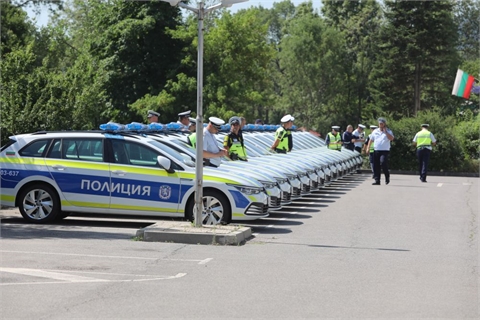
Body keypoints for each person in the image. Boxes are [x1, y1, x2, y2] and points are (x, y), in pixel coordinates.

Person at [367, 118, 394, 185]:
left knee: (383, 163)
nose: (380, 125)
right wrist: (368, 148)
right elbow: (371, 140)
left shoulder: (388, 131)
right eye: (379, 123)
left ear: (384, 124)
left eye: (382, 123)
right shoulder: (375, 131)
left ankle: (387, 176)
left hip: (384, 151)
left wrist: (386, 132)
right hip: (376, 150)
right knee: (376, 166)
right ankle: (377, 180)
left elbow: (391, 138)